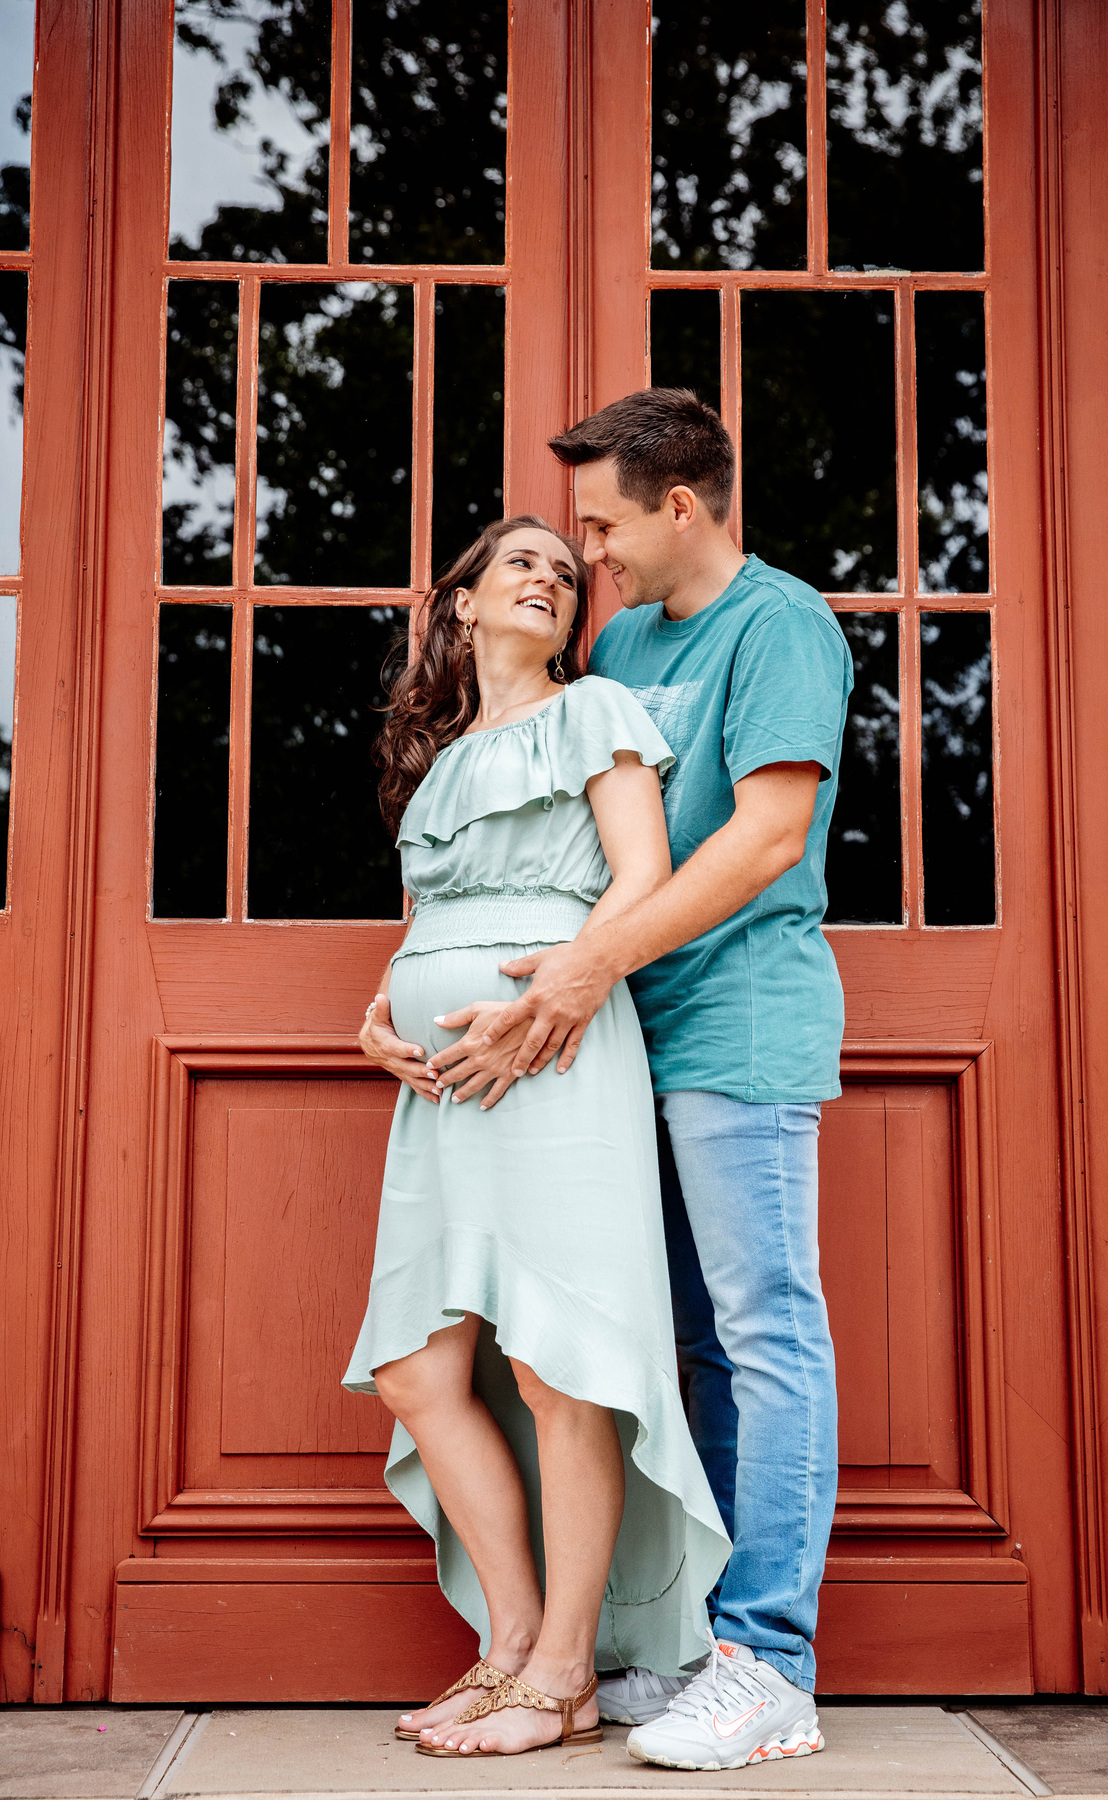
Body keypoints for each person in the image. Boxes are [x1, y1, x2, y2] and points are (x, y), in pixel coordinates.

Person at [423, 391, 853, 1770]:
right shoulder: (622, 645)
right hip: (610, 1053)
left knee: (766, 1335)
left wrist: (581, 968)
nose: (591, 555)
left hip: (736, 1028)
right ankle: (686, 1644)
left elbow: (767, 836)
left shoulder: (780, 625)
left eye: (604, 526)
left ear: (680, 505)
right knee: (680, 1355)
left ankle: (770, 1665)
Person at [346, 514, 730, 1760]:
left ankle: (564, 1674)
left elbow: (641, 879)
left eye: (566, 573)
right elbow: (429, 919)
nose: (549, 580)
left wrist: (545, 1000)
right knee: (415, 1368)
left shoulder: (595, 712)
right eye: (519, 562)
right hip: (440, 1086)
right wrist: (380, 1016)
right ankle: (509, 1642)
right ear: (461, 603)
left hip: (555, 1054)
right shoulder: (440, 756)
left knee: (560, 1366)